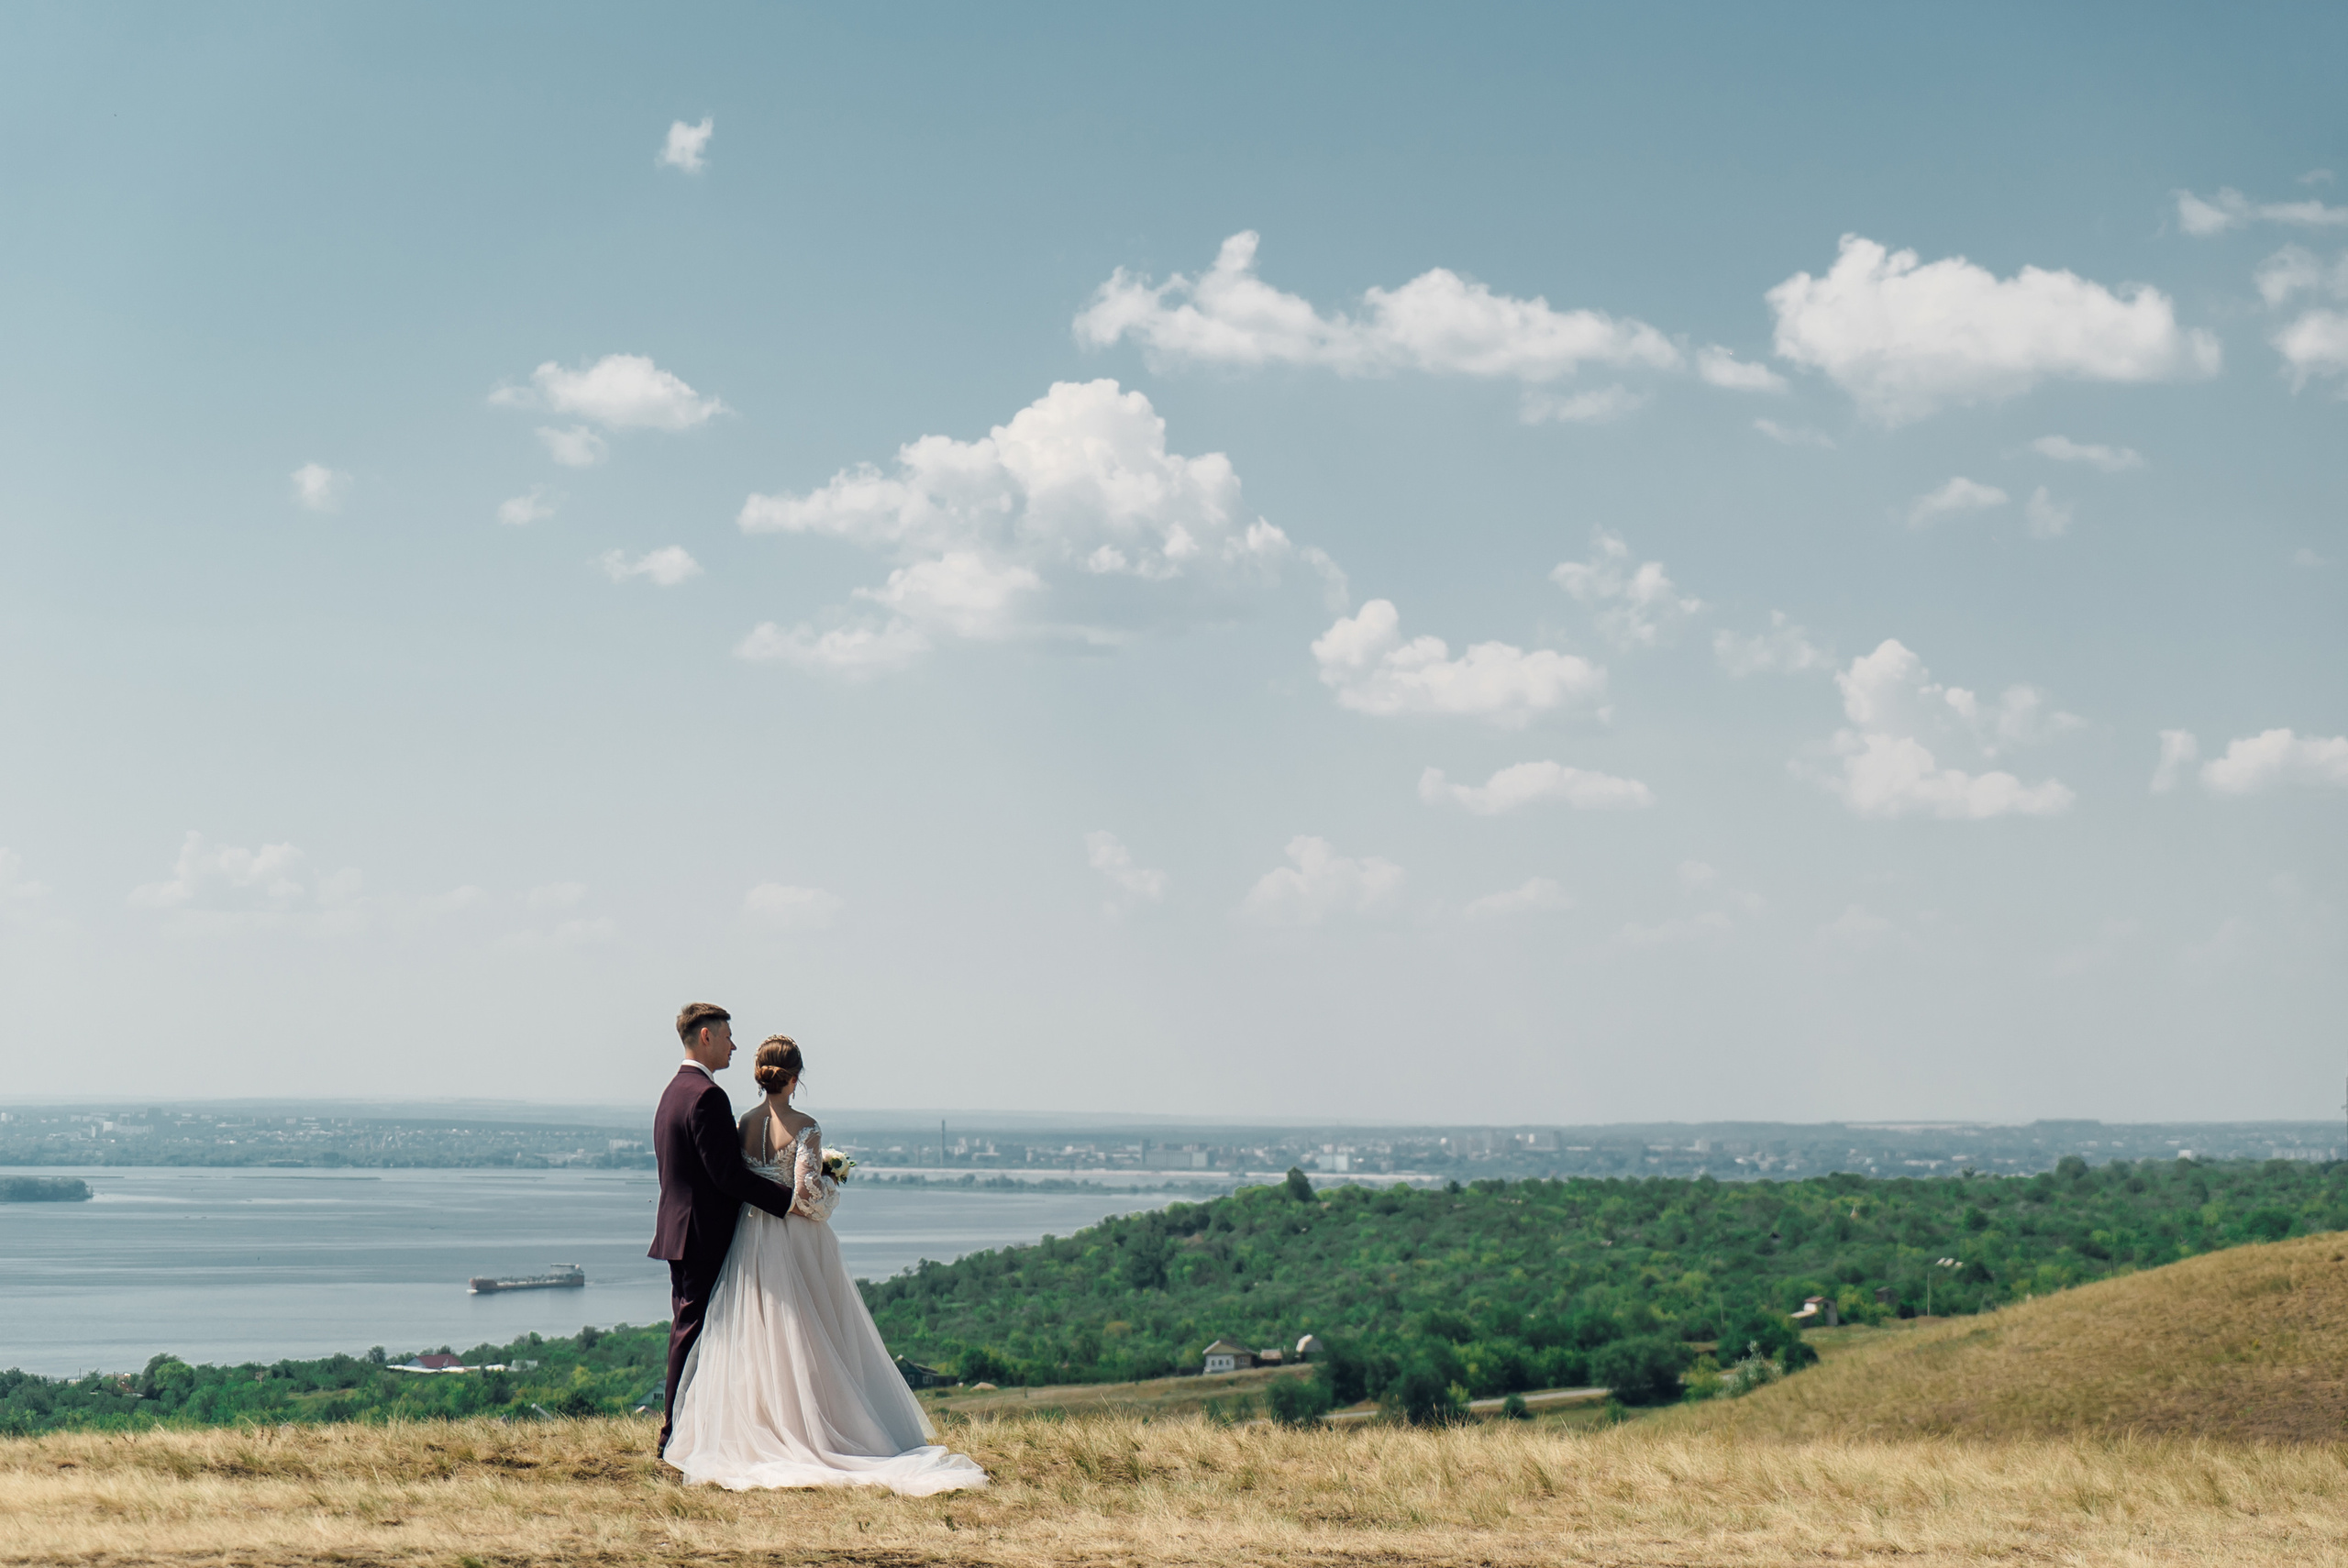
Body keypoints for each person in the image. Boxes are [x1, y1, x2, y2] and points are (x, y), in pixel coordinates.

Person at [660, 1033, 986, 1496]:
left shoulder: (743, 1123)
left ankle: (763, 1424)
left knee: (760, 1332)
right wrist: (833, 1183)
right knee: (810, 1332)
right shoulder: (806, 1126)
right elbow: (809, 1196)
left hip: (751, 1235)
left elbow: (738, 1178)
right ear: (795, 1078)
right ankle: (818, 1427)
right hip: (796, 1239)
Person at [648, 1002, 800, 1457]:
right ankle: (674, 1433)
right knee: (695, 1332)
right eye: (728, 1035)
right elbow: (726, 1175)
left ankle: (695, 1428)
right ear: (706, 1036)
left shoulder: (673, 1091)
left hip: (677, 1231)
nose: (735, 1045)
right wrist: (788, 1202)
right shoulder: (708, 1096)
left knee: (690, 1328)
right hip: (702, 1235)